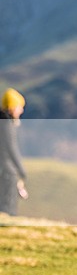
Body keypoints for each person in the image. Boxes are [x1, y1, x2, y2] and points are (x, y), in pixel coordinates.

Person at [0, 88, 28, 216]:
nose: (21, 110)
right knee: (7, 206)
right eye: (19, 107)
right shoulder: (7, 124)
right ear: (12, 107)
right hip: (7, 170)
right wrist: (22, 170)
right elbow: (11, 148)